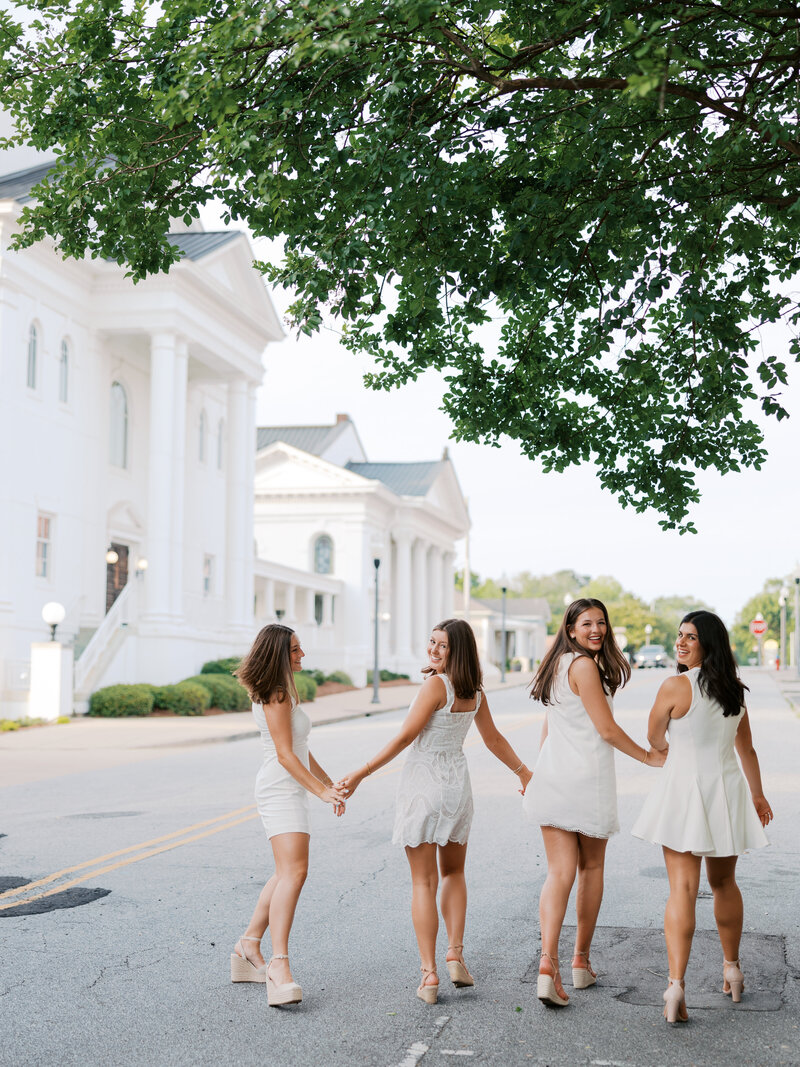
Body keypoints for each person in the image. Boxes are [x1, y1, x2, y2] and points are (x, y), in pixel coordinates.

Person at [340, 618, 532, 1004]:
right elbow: (493, 739)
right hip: (457, 786)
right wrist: (525, 773)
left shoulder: (435, 685)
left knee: (423, 883)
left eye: (441, 645)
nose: (433, 650)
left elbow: (406, 736)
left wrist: (360, 773)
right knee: (456, 872)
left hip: (424, 784)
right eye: (431, 642)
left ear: (456, 651)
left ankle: (429, 976)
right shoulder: (474, 692)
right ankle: (456, 954)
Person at [524, 598, 666, 1008]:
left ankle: (548, 964)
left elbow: (548, 726)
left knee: (558, 872)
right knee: (589, 868)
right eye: (586, 623)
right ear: (569, 629)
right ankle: (579, 963)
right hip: (586, 781)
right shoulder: (584, 667)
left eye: (601, 622)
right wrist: (648, 756)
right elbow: (606, 729)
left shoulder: (557, 666)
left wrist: (536, 774)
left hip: (553, 777)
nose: (596, 630)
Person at [631, 610, 772, 1024]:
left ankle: (675, 986)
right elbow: (746, 750)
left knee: (682, 889)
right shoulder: (734, 692)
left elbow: (654, 737)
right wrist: (759, 796)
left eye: (690, 637)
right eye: (679, 636)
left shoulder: (675, 686)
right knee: (725, 882)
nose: (680, 642)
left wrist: (663, 746)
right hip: (726, 792)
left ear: (707, 644)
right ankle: (732, 968)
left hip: (683, 792)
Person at [230, 624, 347, 1006]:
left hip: (289, 785)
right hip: (280, 787)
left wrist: (329, 783)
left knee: (285, 873)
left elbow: (300, 746)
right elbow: (284, 754)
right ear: (278, 654)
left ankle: (248, 946)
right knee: (295, 873)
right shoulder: (276, 693)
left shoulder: (284, 690)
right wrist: (321, 792)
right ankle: (279, 967)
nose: (302, 655)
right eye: (295, 650)